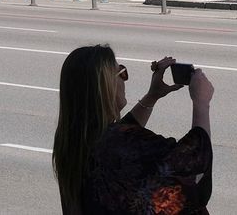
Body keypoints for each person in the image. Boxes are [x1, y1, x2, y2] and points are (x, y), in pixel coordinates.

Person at [52, 46, 213, 215]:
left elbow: (117, 142)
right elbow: (193, 169)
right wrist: (201, 103)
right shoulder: (122, 145)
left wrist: (152, 95)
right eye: (121, 73)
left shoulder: (72, 142)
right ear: (105, 88)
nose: (124, 79)